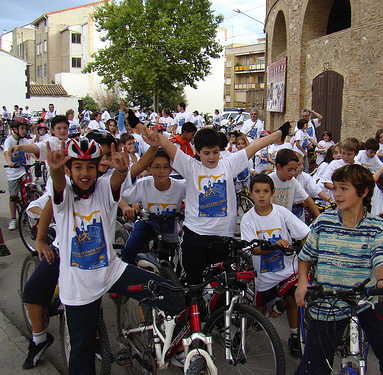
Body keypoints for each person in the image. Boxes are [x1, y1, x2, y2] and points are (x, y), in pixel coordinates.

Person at [46, 134, 184, 374]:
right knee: (82, 351)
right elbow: (58, 185)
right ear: (68, 170)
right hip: (78, 287)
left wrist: (122, 171)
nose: (85, 173)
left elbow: (120, 178)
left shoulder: (102, 187)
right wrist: (55, 170)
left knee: (175, 296)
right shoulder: (64, 195)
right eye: (77, 167)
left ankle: (170, 351)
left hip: (112, 272)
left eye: (90, 166)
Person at [129, 110, 293, 284]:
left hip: (223, 237)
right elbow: (161, 140)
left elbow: (256, 145)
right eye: (206, 153)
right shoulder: (190, 166)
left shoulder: (229, 164)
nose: (212, 157)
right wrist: (137, 124)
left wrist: (280, 132)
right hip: (195, 236)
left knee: (221, 288)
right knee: (194, 287)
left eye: (215, 152)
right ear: (197, 152)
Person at [295, 164, 383, 375]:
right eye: (336, 188)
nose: (336, 194)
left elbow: (381, 259)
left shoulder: (376, 226)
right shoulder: (323, 222)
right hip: (328, 302)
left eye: (344, 188)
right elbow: (306, 257)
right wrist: (303, 282)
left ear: (363, 192)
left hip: (366, 302)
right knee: (310, 370)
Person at [240, 174, 310, 358]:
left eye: (265, 191)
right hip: (264, 276)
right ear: (251, 193)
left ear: (273, 193)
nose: (261, 195)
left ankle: (294, 335)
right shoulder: (248, 219)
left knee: (292, 300)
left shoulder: (282, 212)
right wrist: (273, 246)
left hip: (288, 270)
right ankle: (241, 334)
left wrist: (312, 244)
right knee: (258, 311)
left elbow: (304, 232)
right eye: (257, 191)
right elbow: (252, 249)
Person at [120, 148, 186, 264]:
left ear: (171, 169)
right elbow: (118, 196)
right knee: (131, 247)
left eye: (165, 167)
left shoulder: (180, 186)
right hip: (148, 223)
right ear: (149, 169)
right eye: (157, 167)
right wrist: (126, 207)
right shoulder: (143, 184)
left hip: (170, 226)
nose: (162, 171)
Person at [269, 149, 321, 218]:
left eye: (295, 169)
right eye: (289, 170)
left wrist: (319, 219)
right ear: (278, 166)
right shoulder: (268, 180)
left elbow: (308, 200)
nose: (293, 173)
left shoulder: (293, 181)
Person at [3, 117, 32, 230]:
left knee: (31, 191)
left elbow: (32, 151)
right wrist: (9, 162)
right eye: (22, 128)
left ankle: (31, 213)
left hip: (24, 170)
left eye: (25, 128)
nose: (25, 131)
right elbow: (6, 153)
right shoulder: (9, 141)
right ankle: (13, 219)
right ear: (15, 129)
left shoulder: (25, 141)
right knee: (13, 197)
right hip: (13, 172)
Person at [292, 152, 333, 221]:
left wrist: (330, 200)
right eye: (299, 165)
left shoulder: (305, 177)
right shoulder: (287, 179)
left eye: (302, 163)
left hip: (299, 213)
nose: (302, 167)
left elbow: (317, 191)